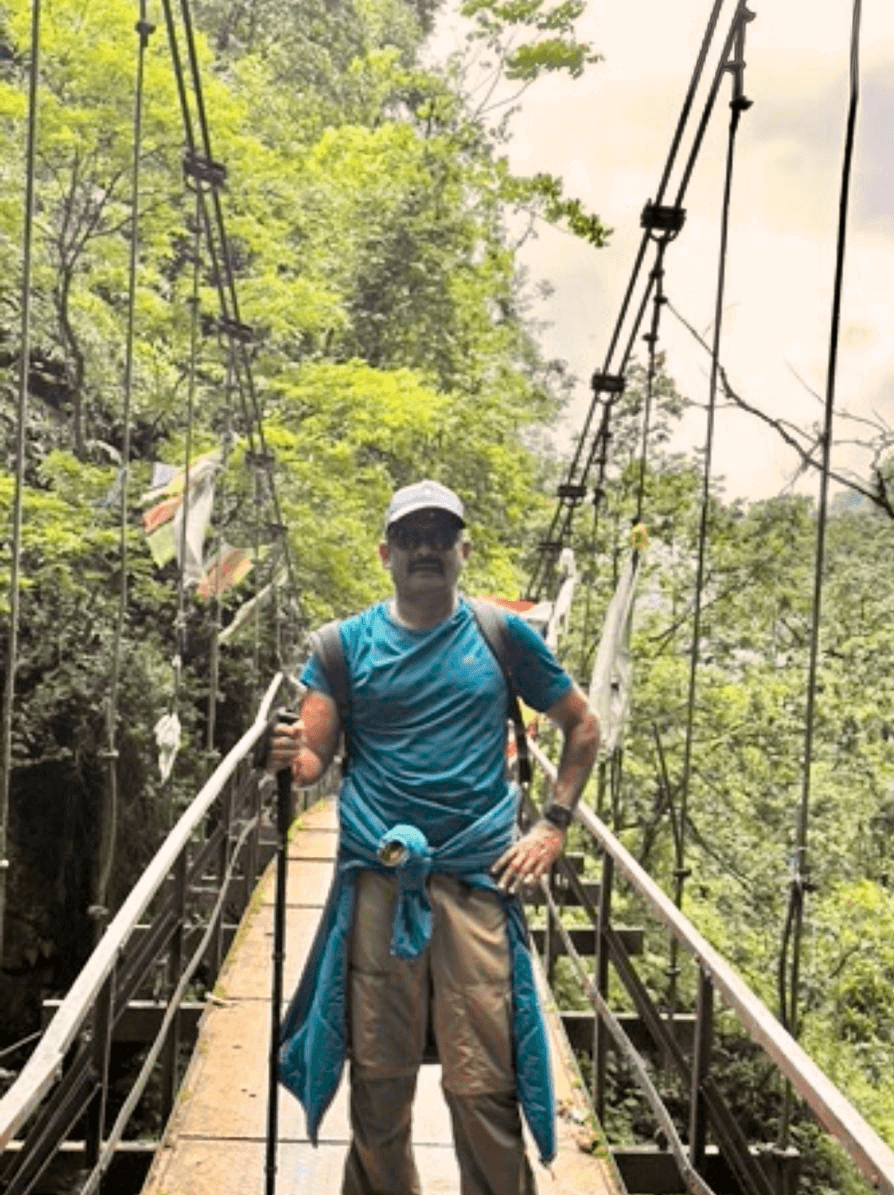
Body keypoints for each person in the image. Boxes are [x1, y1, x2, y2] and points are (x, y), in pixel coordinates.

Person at [268, 479, 600, 1195]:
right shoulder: (341, 645)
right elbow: (312, 759)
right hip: (380, 880)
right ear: (385, 552)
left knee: (485, 1085)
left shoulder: (503, 636)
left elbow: (583, 724)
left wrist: (552, 825)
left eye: (440, 536)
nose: (425, 548)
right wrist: (286, 755)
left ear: (462, 550)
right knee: (379, 1082)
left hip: (478, 879)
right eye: (410, 536)